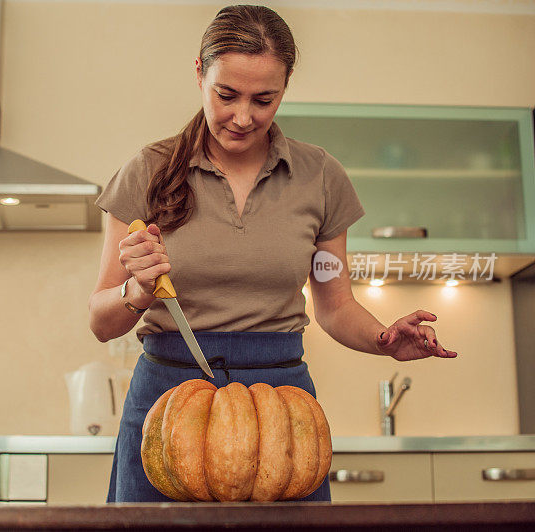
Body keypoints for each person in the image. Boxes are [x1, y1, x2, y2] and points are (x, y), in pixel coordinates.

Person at [88, 5, 457, 503]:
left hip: (283, 410)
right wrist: (138, 290)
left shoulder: (320, 176)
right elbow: (101, 321)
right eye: (227, 95)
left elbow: (335, 305)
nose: (244, 117)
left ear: (285, 88)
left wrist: (384, 338)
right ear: (199, 72)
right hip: (171, 404)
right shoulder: (147, 171)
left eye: (265, 99)